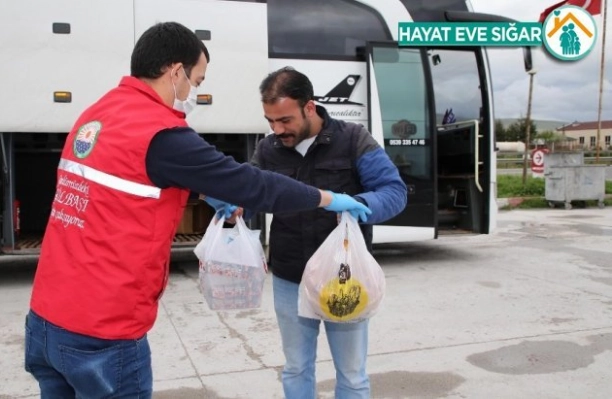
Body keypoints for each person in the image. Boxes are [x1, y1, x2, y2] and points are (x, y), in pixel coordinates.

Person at [23, 23, 371, 398]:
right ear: (175, 72)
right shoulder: (160, 132)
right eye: (196, 80)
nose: (192, 92)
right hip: (101, 330)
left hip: (45, 320)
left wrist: (205, 188)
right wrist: (329, 199)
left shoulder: (97, 114)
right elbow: (257, 186)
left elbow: (130, 178)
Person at [248, 67, 408, 399]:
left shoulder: (353, 140)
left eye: (285, 120)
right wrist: (235, 206)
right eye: (270, 121)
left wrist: (360, 202)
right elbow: (251, 194)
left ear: (310, 107)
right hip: (290, 276)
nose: (278, 130)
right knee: (296, 369)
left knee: (351, 375)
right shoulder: (267, 150)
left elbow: (394, 192)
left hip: (345, 279)